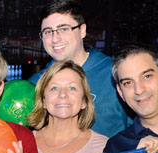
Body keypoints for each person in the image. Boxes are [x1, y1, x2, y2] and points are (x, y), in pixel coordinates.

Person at [29, 1, 130, 139]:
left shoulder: (115, 72)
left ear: (82, 31)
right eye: (47, 32)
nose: (54, 39)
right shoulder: (35, 84)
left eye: (63, 29)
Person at [29, 60, 107, 153]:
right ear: (43, 101)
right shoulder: (24, 143)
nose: (62, 95)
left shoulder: (104, 148)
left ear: (84, 101)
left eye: (72, 88)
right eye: (54, 88)